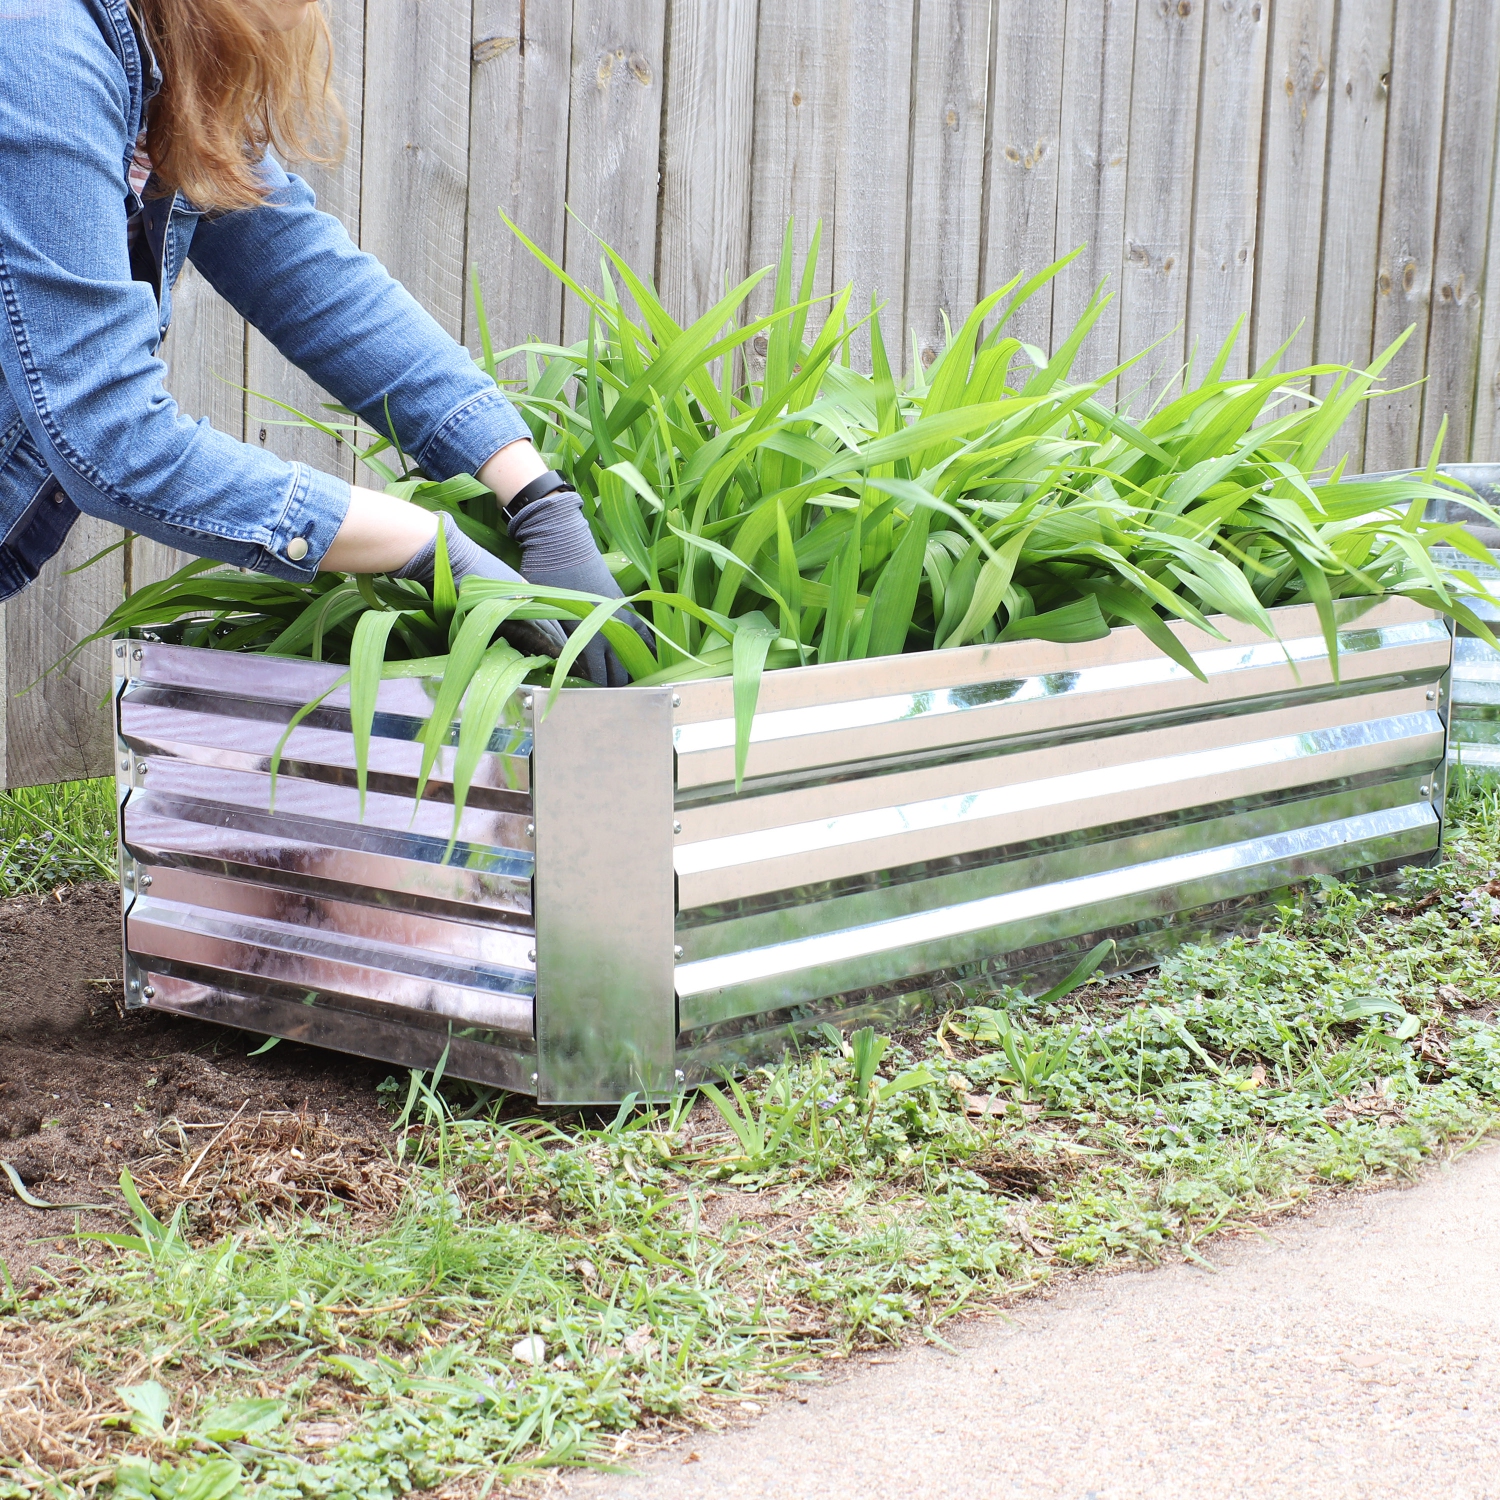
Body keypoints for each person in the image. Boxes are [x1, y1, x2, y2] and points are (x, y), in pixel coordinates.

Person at [0, 0, 648, 684]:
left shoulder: (167, 61)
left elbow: (309, 278)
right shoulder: (42, 49)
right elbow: (113, 441)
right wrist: (428, 546)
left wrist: (540, 501)